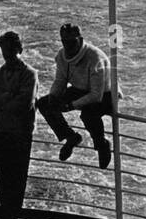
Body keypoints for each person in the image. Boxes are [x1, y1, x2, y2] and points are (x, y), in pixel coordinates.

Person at [36, 23, 113, 169]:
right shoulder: (61, 55)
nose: (69, 46)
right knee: (44, 104)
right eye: (65, 42)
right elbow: (60, 80)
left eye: (72, 42)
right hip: (79, 89)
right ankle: (70, 136)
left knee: (88, 115)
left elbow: (96, 95)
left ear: (80, 39)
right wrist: (54, 96)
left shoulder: (95, 58)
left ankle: (101, 144)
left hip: (104, 94)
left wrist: (70, 106)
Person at [0, 31, 37, 219]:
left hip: (20, 134)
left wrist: (1, 99)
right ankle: (5, 214)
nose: (8, 54)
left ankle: (11, 217)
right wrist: (8, 96)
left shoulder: (29, 74)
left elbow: (24, 103)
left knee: (17, 176)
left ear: (20, 49)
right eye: (5, 50)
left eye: (11, 50)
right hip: (3, 131)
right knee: (2, 174)